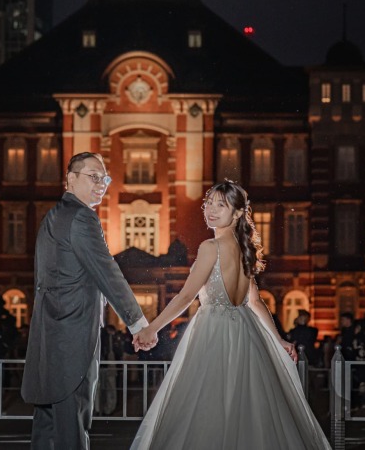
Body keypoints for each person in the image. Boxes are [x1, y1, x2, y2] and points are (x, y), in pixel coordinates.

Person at [131, 181, 330, 450]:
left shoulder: (210, 247)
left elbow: (186, 296)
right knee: (248, 409)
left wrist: (152, 328)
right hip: (246, 332)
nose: (211, 210)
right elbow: (255, 302)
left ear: (237, 213)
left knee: (206, 407)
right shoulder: (243, 249)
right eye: (208, 203)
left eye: (220, 205)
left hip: (213, 331)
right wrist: (279, 340)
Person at [21, 152, 154, 450]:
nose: (101, 184)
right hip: (72, 340)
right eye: (93, 176)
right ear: (70, 178)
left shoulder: (53, 216)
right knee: (72, 427)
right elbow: (109, 273)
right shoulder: (82, 217)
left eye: (104, 178)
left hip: (49, 337)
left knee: (46, 429)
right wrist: (138, 324)